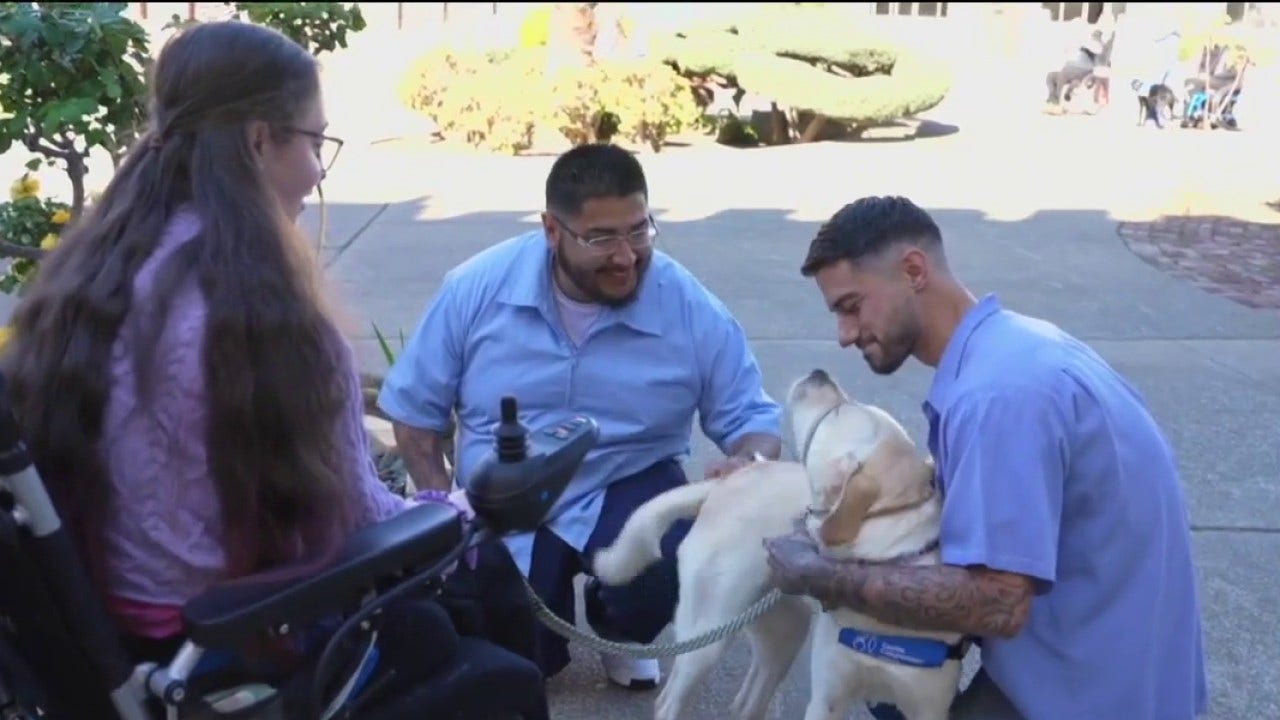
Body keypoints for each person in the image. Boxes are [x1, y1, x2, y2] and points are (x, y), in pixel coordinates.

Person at [0, 20, 546, 719]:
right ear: (260, 140)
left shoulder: (85, 281)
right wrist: (453, 513)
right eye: (316, 141)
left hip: (102, 639)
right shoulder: (265, 320)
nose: (319, 169)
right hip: (221, 642)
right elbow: (358, 516)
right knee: (478, 595)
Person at [763, 196, 1207, 719]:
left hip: (1087, 697)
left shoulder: (995, 398)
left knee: (873, 655)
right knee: (880, 670)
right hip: (1128, 669)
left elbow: (997, 603)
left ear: (913, 271)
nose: (844, 334)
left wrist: (819, 575)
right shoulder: (1013, 345)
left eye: (851, 305)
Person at [378, 143, 783, 689]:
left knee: (671, 553)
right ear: (551, 230)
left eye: (639, 231)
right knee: (521, 664)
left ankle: (622, 627)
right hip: (505, 496)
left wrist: (748, 462)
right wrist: (444, 510)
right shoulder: (475, 289)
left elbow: (752, 418)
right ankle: (545, 619)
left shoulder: (687, 305)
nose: (625, 255)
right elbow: (414, 413)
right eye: (601, 238)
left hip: (628, 482)